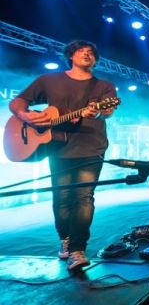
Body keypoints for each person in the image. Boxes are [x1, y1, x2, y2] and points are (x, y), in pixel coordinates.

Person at [9, 40, 117, 270]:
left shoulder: (104, 86)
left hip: (91, 146)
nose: (87, 54)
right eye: (81, 51)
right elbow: (18, 101)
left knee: (84, 197)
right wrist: (26, 116)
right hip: (57, 148)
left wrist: (98, 113)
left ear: (96, 60)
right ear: (70, 56)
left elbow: (106, 113)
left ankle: (78, 249)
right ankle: (65, 240)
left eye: (91, 52)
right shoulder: (49, 80)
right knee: (61, 198)